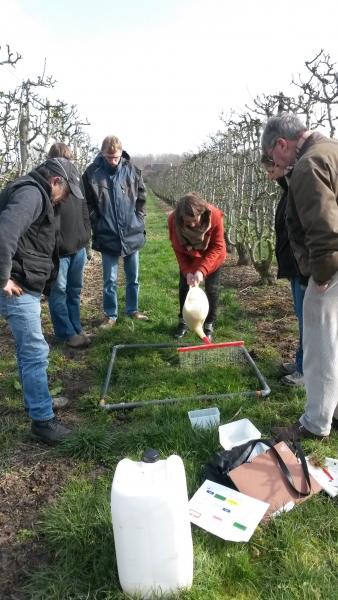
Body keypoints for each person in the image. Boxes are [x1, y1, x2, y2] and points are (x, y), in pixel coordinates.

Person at [262, 112, 338, 441]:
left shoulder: (308, 164)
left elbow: (324, 229)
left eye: (272, 155)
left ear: (282, 143)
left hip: (331, 270)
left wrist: (320, 277)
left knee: (319, 348)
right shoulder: (330, 149)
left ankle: (315, 423)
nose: (273, 162)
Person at [0, 158, 84, 444]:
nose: (66, 198)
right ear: (54, 182)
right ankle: (42, 423)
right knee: (36, 351)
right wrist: (2, 278)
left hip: (26, 284)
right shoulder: (32, 194)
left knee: (27, 351)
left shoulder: (35, 193)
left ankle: (35, 401)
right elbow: (4, 233)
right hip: (17, 286)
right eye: (67, 191)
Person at [82, 136, 148, 327]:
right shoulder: (92, 174)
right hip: (107, 233)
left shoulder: (132, 171)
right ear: (102, 153)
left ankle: (132, 310)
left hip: (131, 232)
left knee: (133, 277)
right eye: (109, 157)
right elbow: (87, 203)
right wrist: (97, 224)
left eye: (116, 157)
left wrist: (139, 219)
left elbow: (142, 198)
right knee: (109, 279)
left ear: (121, 153)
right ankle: (111, 315)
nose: (113, 161)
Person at [261, 154, 306, 387]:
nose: (270, 177)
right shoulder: (287, 189)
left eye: (271, 171)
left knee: (306, 320)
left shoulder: (297, 188)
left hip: (301, 265)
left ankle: (304, 371)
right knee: (302, 317)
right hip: (293, 263)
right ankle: (301, 363)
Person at [47, 143, 91, 348]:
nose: (69, 167)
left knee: (74, 290)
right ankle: (65, 333)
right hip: (59, 252)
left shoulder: (75, 178)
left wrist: (85, 233)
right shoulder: (49, 185)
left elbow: (83, 206)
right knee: (58, 292)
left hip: (78, 247)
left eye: (71, 163)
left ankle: (76, 326)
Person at [168, 191, 226, 341]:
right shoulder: (173, 220)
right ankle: (184, 322)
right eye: (188, 223)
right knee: (183, 287)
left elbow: (217, 246)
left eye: (195, 220)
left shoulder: (215, 217)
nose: (192, 225)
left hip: (211, 256)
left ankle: (209, 324)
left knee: (212, 289)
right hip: (188, 255)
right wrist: (188, 272)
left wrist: (202, 270)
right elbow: (177, 247)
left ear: (202, 213)